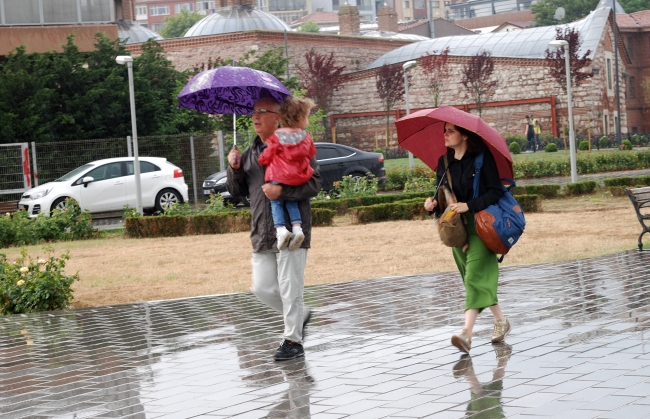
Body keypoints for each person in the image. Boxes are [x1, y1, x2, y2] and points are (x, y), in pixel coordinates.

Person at [226, 96, 322, 361]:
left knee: (291, 289)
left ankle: (293, 340)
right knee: (263, 288)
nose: (256, 116)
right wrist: (234, 168)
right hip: (262, 230)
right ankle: (300, 316)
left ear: (278, 116)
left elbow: (315, 183)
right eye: (254, 111)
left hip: (292, 231)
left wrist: (283, 189)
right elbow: (236, 191)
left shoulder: (299, 143)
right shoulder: (248, 154)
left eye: (263, 111)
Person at [424, 122, 511, 353]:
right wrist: (431, 206)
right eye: (445, 130)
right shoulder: (444, 163)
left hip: (483, 226)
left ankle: (466, 334)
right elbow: (444, 196)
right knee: (473, 279)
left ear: (464, 135)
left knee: (474, 278)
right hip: (458, 230)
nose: (445, 134)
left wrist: (469, 205)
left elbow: (495, 192)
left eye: (450, 131)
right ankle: (501, 321)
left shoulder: (483, 159)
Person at [258, 97, 317, 252]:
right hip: (298, 177)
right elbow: (311, 153)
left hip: (278, 175)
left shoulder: (277, 136)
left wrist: (262, 159)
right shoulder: (306, 137)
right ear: (300, 118)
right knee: (292, 202)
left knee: (275, 202)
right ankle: (297, 229)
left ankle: (281, 229)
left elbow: (268, 154)